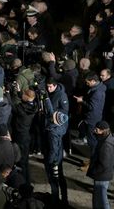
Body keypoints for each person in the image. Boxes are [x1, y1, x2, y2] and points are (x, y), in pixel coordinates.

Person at [43, 78, 70, 207]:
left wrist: (50, 161)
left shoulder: (61, 96)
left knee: (55, 179)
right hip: (57, 155)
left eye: (50, 87)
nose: (48, 89)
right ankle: (63, 200)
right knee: (60, 177)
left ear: (55, 86)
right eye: (47, 87)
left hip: (54, 159)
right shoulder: (56, 130)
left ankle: (56, 202)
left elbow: (55, 112)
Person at [87, 120, 114, 209]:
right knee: (97, 198)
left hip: (101, 176)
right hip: (102, 175)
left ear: (103, 131)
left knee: (102, 200)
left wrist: (94, 171)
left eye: (97, 130)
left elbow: (104, 164)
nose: (94, 131)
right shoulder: (106, 139)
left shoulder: (106, 145)